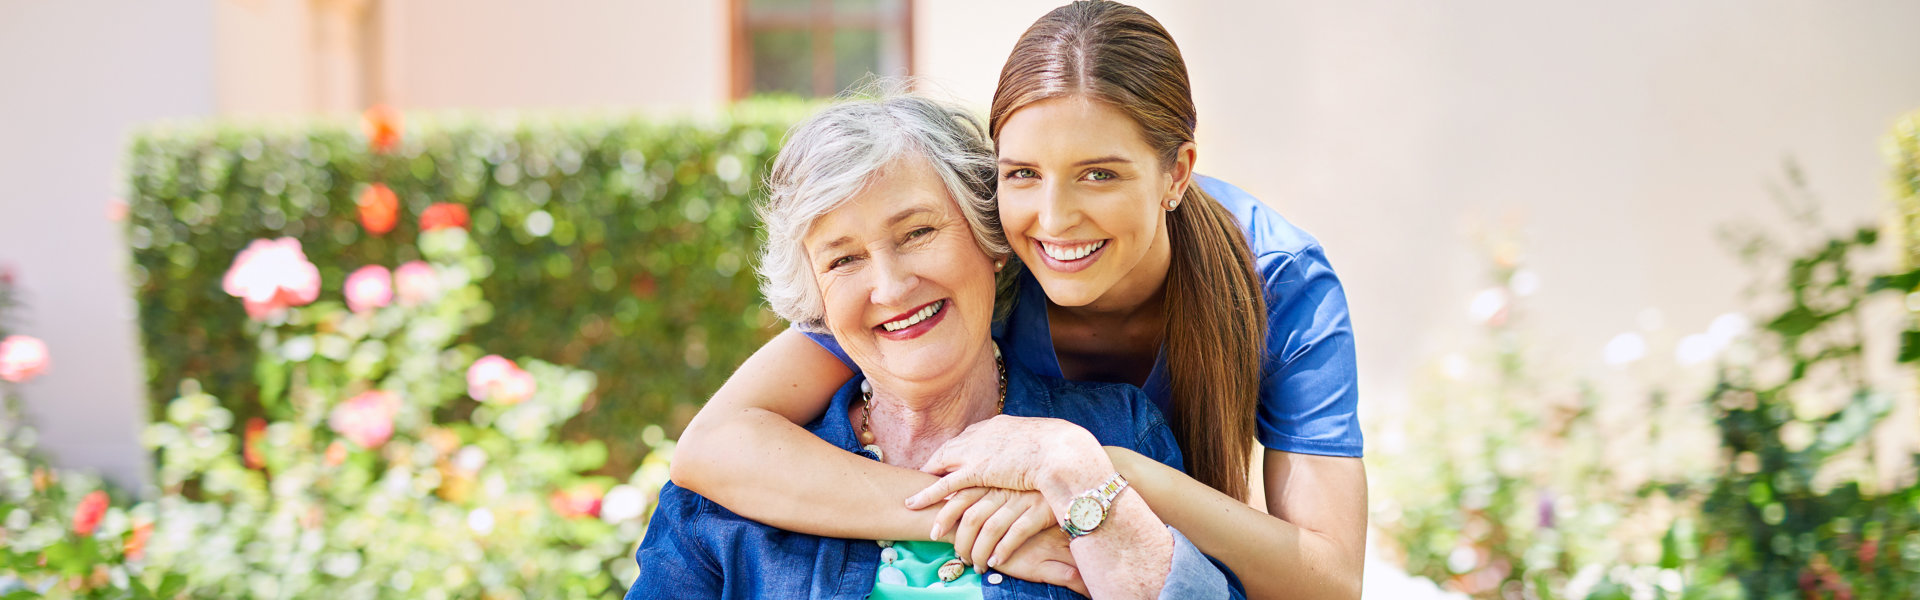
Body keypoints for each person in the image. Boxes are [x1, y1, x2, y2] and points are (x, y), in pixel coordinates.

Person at [673, 2, 1367, 598]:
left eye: (1098, 174)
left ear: (1177, 172)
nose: (1054, 218)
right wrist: (949, 517)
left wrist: (1096, 470)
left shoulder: (1278, 280)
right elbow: (714, 447)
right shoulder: (981, 258)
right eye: (1022, 174)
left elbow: (1329, 580)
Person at [628, 93, 1237, 599]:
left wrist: (1083, 481)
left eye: (917, 232)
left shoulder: (1116, 432)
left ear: (989, 238)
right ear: (815, 300)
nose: (890, 286)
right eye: (843, 260)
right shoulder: (727, 498)